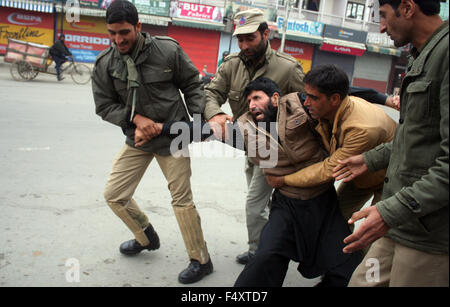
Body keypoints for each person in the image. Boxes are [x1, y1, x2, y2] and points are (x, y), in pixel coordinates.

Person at [158, 77, 362, 287]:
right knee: (263, 260)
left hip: (323, 203)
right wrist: (158, 128)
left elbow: (340, 92)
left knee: (347, 268)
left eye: (257, 98)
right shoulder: (245, 130)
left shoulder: (300, 105)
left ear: (275, 98)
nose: (252, 105)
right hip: (287, 206)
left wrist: (387, 100)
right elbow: (198, 129)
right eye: (249, 101)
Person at [91, 0, 212, 284]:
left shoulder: (167, 50)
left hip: (173, 137)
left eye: (124, 32)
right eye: (112, 33)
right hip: (139, 139)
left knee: (182, 202)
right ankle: (145, 236)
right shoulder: (105, 64)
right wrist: (135, 120)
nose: (118, 39)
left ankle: (201, 260)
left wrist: (195, 122)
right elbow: (104, 105)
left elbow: (193, 85)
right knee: (114, 195)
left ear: (138, 27)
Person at [333, 0, 449, 287]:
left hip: (427, 238)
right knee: (362, 281)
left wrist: (388, 211)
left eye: (383, 16)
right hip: (395, 225)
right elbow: (413, 137)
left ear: (408, 8)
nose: (381, 27)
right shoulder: (422, 55)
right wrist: (369, 159)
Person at [204, 8, 305, 265]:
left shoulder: (288, 68)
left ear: (265, 34)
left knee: (254, 204)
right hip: (250, 147)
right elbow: (210, 93)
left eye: (250, 38)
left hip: (276, 149)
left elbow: (308, 106)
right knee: (264, 202)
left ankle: (259, 254)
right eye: (240, 39)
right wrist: (216, 114)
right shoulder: (231, 65)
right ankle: (275, 243)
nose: (244, 45)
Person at [266, 64, 397, 229]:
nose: (306, 103)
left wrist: (284, 180)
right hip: (360, 175)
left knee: (373, 233)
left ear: (334, 99)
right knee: (334, 221)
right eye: (306, 96)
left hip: (391, 179)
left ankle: (359, 255)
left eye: (313, 98)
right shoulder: (330, 109)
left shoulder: (362, 129)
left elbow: (328, 170)